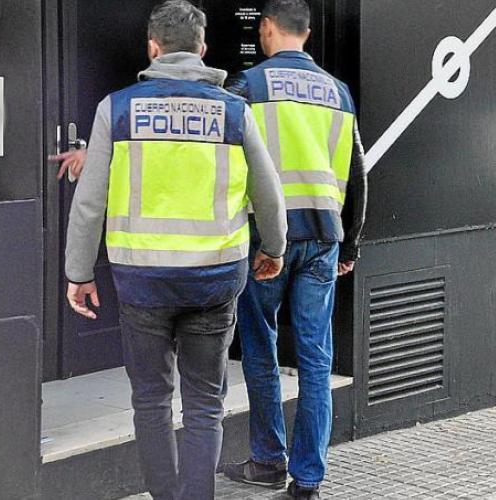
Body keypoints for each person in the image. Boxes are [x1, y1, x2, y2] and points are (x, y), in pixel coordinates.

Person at [62, 2, 287, 499]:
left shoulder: (116, 109)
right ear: (202, 48)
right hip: (214, 279)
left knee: (150, 400)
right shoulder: (234, 112)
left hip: (142, 281)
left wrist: (79, 272)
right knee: (205, 403)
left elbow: (89, 201)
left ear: (152, 47)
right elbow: (269, 195)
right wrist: (274, 248)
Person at [222, 1, 368, 498]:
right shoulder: (338, 92)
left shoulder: (248, 86)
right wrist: (351, 241)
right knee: (315, 358)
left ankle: (267, 461)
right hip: (324, 238)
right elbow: (358, 174)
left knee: (260, 347)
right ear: (305, 34)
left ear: (266, 28)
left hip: (266, 242)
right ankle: (308, 479)